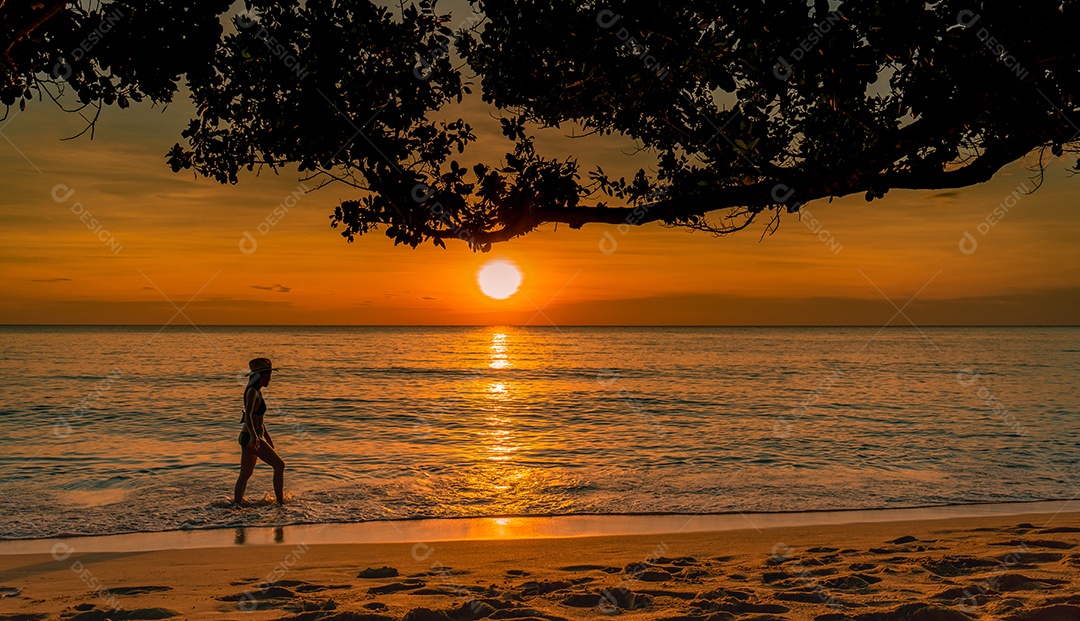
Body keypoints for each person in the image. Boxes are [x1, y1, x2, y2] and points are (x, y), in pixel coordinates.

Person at [233, 357, 286, 505]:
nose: (270, 379)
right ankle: (280, 503)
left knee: (245, 474)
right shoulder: (252, 392)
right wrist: (254, 436)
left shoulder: (257, 391)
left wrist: (266, 436)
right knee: (279, 465)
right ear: (261, 376)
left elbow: (258, 417)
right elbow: (249, 415)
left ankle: (237, 505)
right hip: (251, 436)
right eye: (269, 376)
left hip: (249, 436)